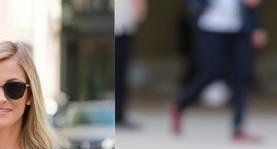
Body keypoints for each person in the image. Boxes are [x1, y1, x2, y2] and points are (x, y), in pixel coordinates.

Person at [171, 0, 269, 141]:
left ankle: (238, 128)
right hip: (211, 27)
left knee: (242, 75)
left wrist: (257, 27)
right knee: (212, 71)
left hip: (240, 29)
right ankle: (180, 104)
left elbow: (251, 6)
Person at [114, 0, 148, 128]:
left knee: (121, 73)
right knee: (119, 73)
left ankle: (119, 114)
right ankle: (118, 114)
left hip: (125, 26)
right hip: (119, 25)